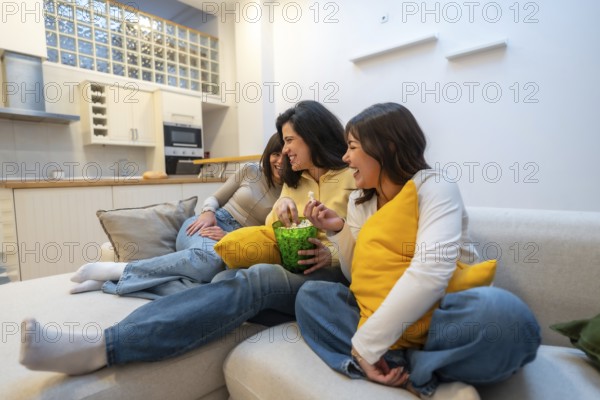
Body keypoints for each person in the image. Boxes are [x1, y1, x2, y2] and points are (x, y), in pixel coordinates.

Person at [19, 100, 356, 375]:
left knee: (255, 278)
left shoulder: (351, 178)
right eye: (282, 141)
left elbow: (363, 238)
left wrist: (335, 255)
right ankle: (119, 297)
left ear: (312, 136)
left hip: (322, 275)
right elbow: (270, 227)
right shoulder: (294, 183)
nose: (284, 150)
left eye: (289, 140)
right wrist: (281, 205)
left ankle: (102, 347)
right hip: (285, 264)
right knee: (223, 276)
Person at [295, 103, 541, 400]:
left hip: (441, 317)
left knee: (507, 317)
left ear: (386, 147)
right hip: (385, 320)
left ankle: (407, 368)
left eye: (352, 147)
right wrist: (339, 231)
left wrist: (365, 345)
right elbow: (356, 278)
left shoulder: (435, 186)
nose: (345, 157)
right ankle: (421, 377)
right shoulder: (360, 203)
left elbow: (431, 271)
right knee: (312, 297)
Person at [69, 133, 284, 299]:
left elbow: (268, 235)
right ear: (268, 154)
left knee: (215, 284)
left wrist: (231, 237)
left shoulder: (290, 193)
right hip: (206, 226)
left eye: (286, 156)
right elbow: (214, 199)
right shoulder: (250, 170)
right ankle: (117, 269)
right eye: (276, 153)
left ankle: (112, 281)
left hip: (235, 240)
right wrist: (208, 212)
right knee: (210, 260)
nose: (280, 161)